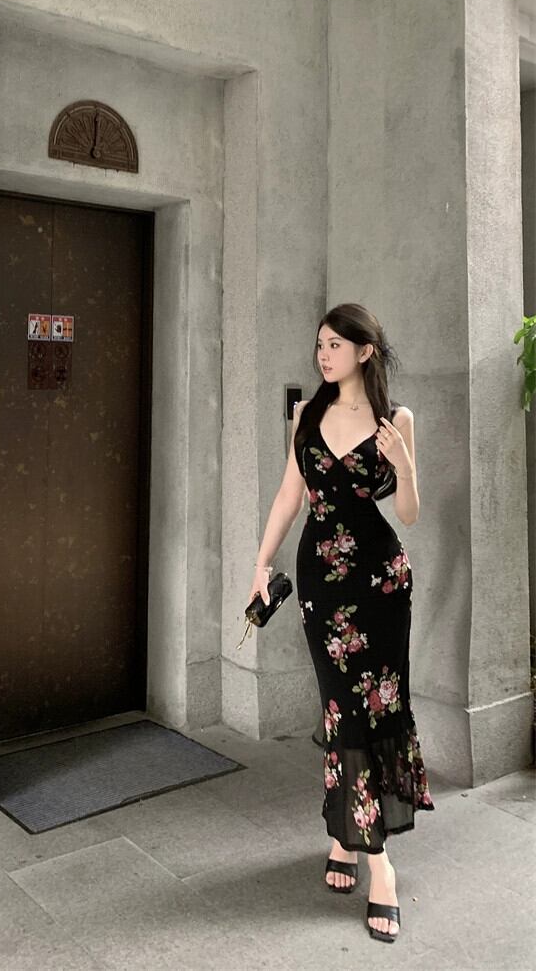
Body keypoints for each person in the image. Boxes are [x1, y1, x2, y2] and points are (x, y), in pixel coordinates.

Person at [246, 303, 435, 944]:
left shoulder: (395, 419)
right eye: (320, 345)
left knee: (376, 711)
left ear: (365, 351)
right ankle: (364, 846)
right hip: (322, 585)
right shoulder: (307, 416)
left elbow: (408, 513)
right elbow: (289, 494)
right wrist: (260, 564)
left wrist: (403, 464)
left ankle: (361, 849)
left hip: (382, 584)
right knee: (341, 710)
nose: (324, 355)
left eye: (335, 344)